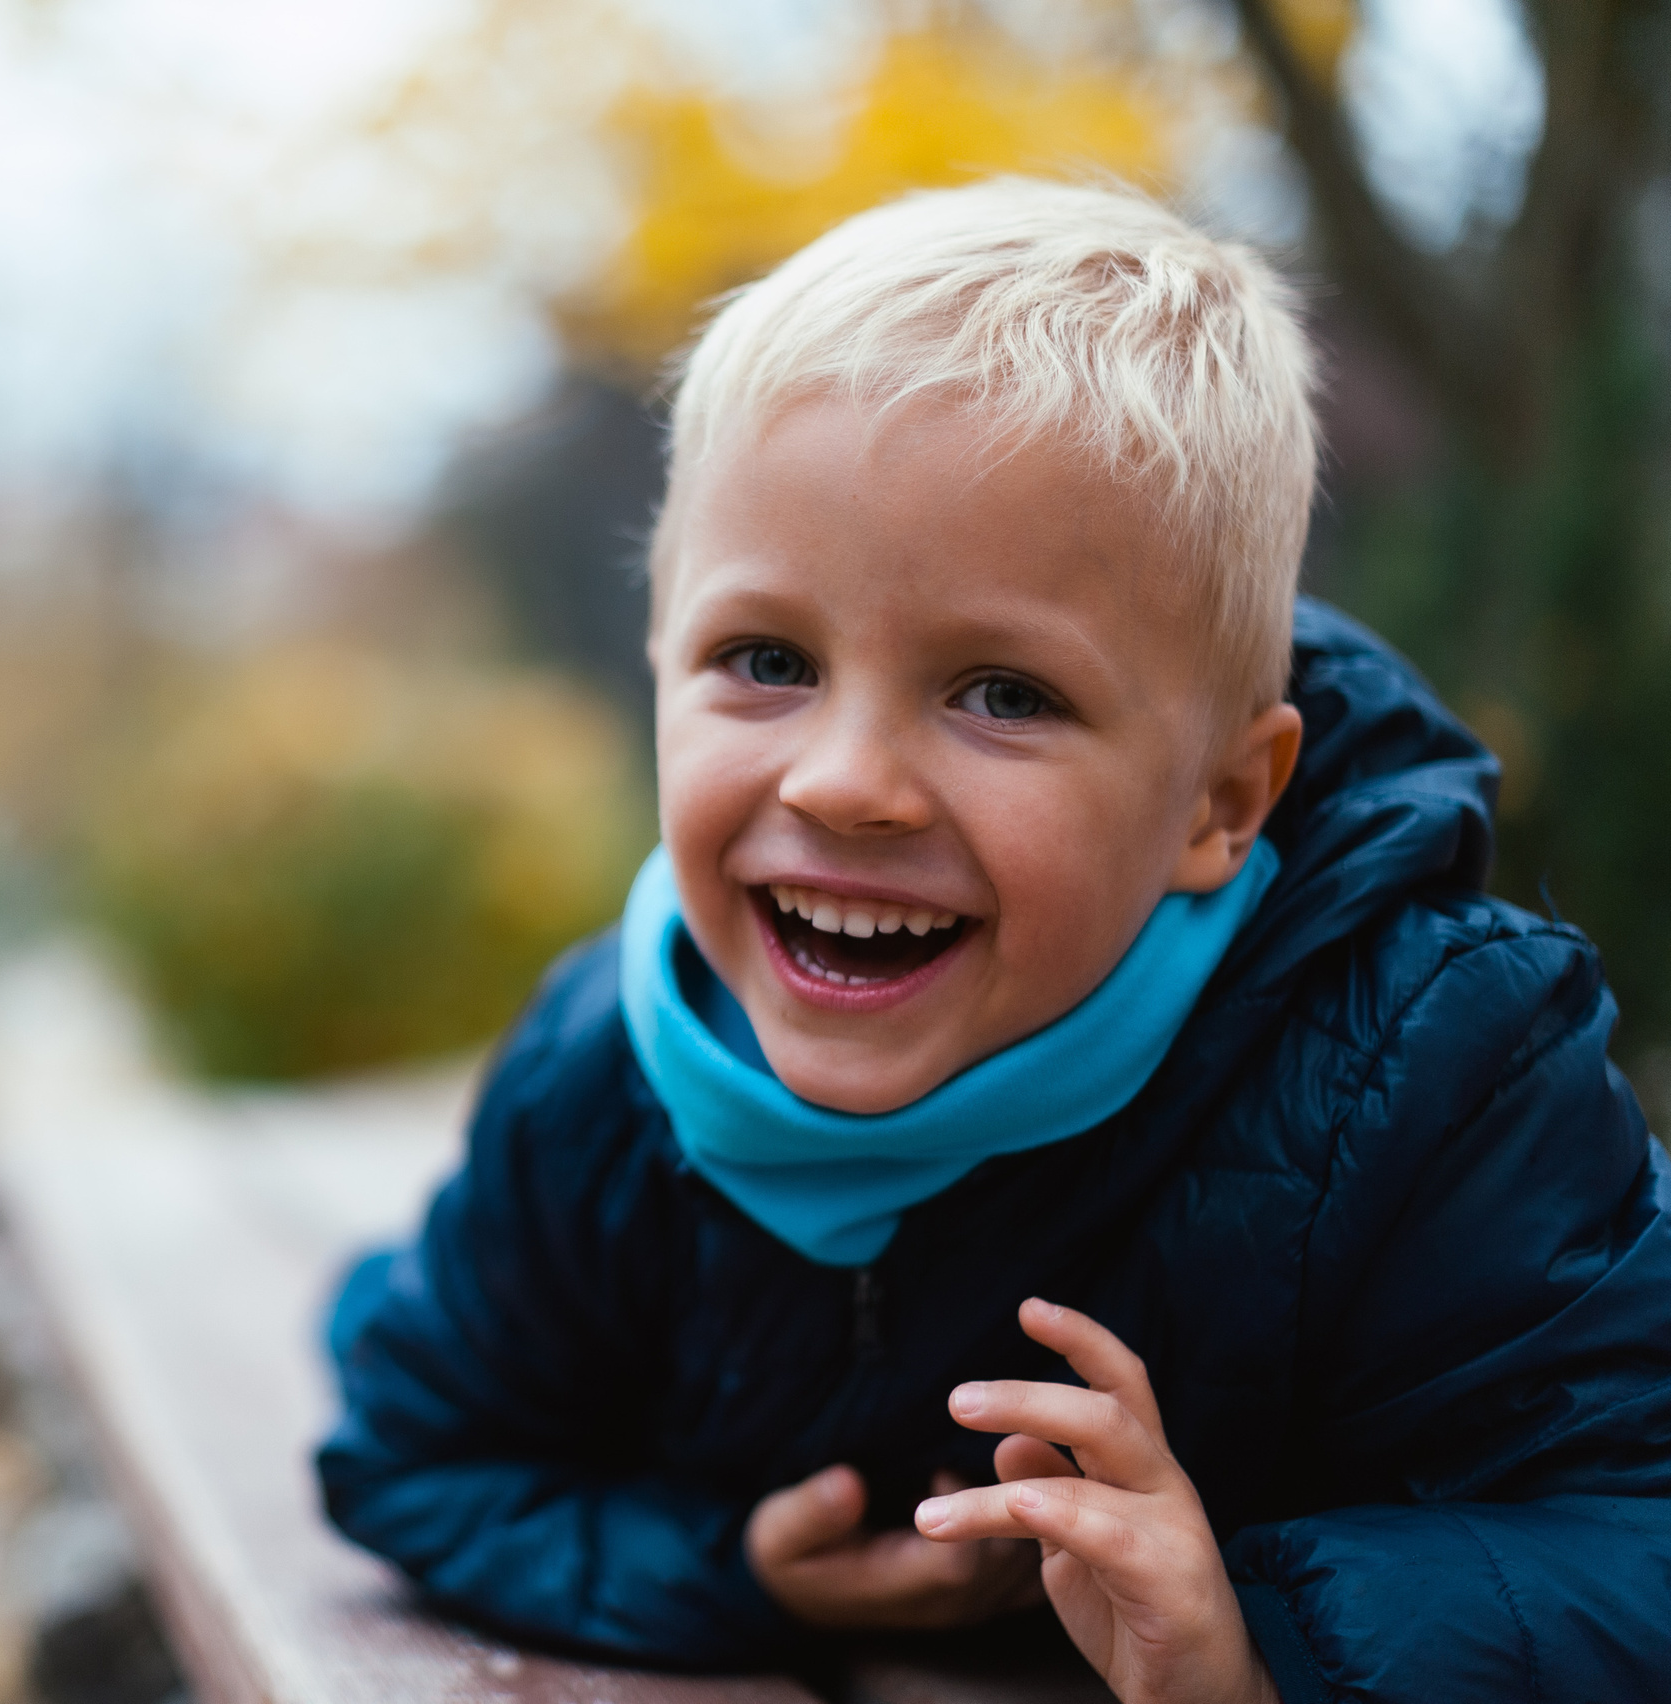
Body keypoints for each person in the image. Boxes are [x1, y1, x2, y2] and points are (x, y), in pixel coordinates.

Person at [315, 179, 1671, 1704]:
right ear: (656, 664)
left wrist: (1259, 1637)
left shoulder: (1428, 1073)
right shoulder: (604, 1071)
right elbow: (421, 1445)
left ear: (1224, 800)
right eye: (765, 660)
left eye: (1003, 695)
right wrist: (732, 1572)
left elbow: (1633, 1533)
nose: (841, 782)